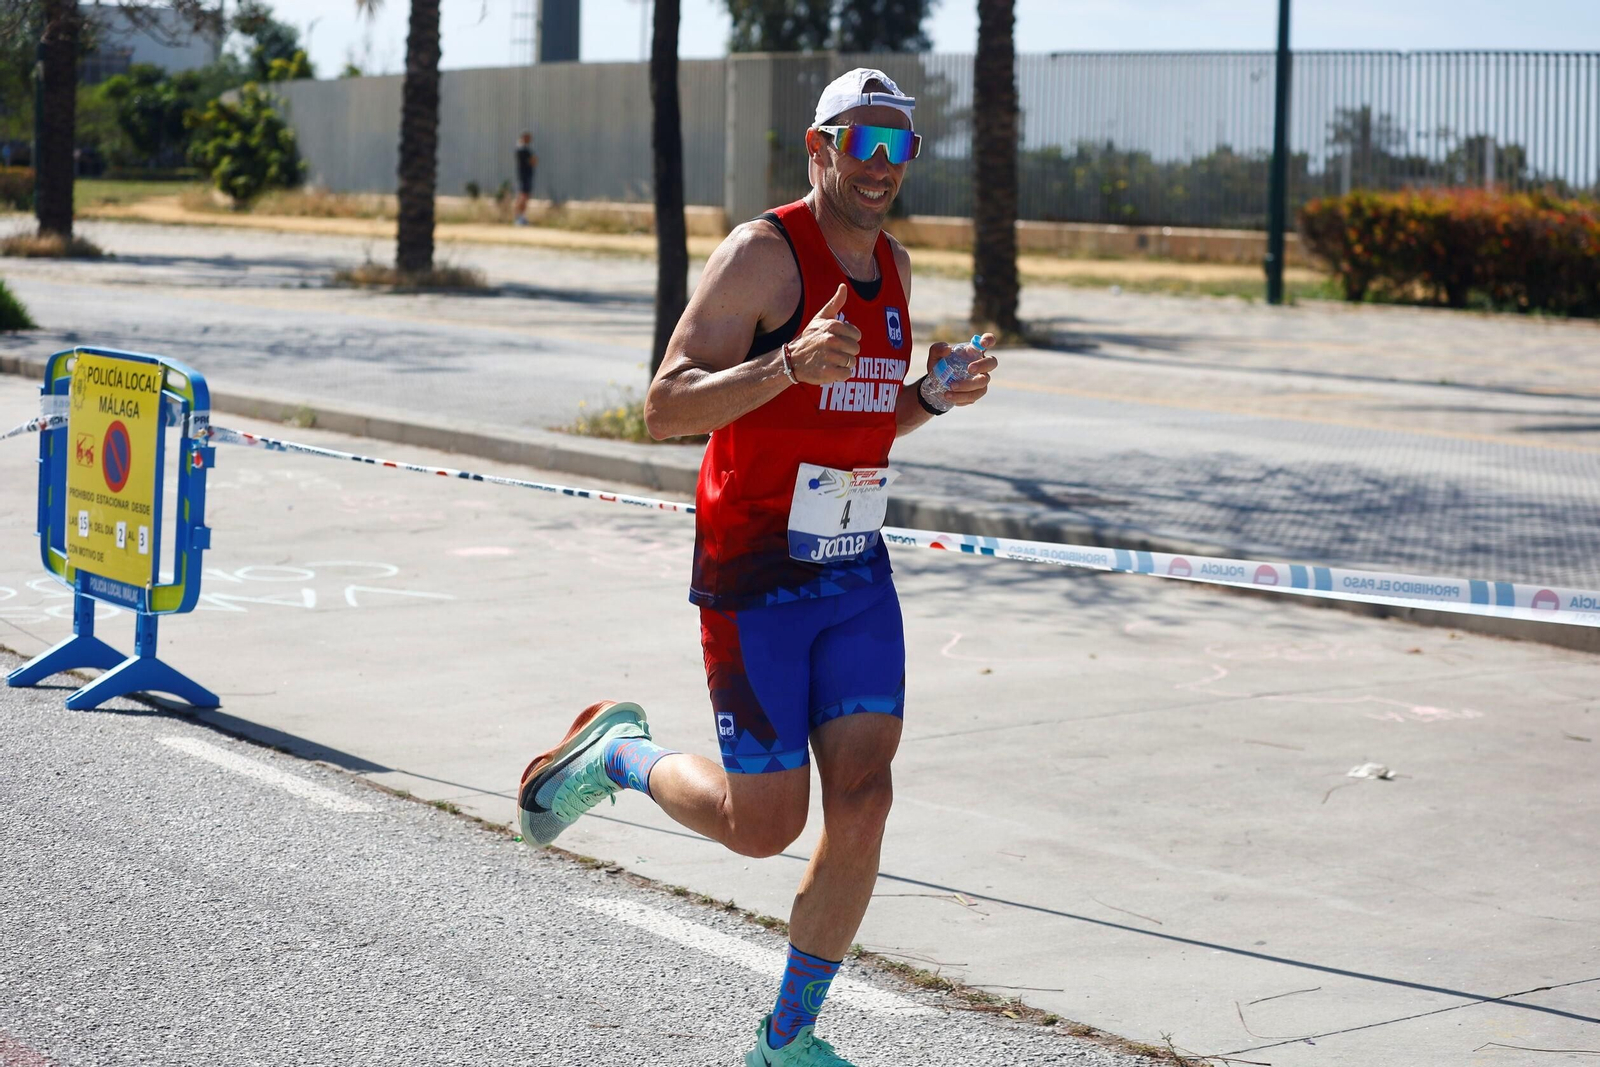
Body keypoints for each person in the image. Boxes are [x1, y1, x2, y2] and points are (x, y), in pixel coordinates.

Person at [517, 68, 999, 1067]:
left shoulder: (897, 270)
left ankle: (786, 1036)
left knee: (865, 797)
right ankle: (616, 756)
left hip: (851, 565)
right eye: (859, 142)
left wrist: (934, 395)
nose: (879, 164)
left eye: (897, 145)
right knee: (761, 827)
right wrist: (782, 364)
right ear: (818, 150)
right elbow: (662, 406)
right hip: (754, 571)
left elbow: (870, 418)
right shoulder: (763, 254)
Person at [513, 131, 537, 225]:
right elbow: (533, 160)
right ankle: (518, 217)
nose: (530, 140)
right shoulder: (522, 149)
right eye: (528, 138)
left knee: (525, 196)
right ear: (524, 138)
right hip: (524, 176)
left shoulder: (524, 148)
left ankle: (521, 217)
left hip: (526, 175)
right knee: (522, 196)